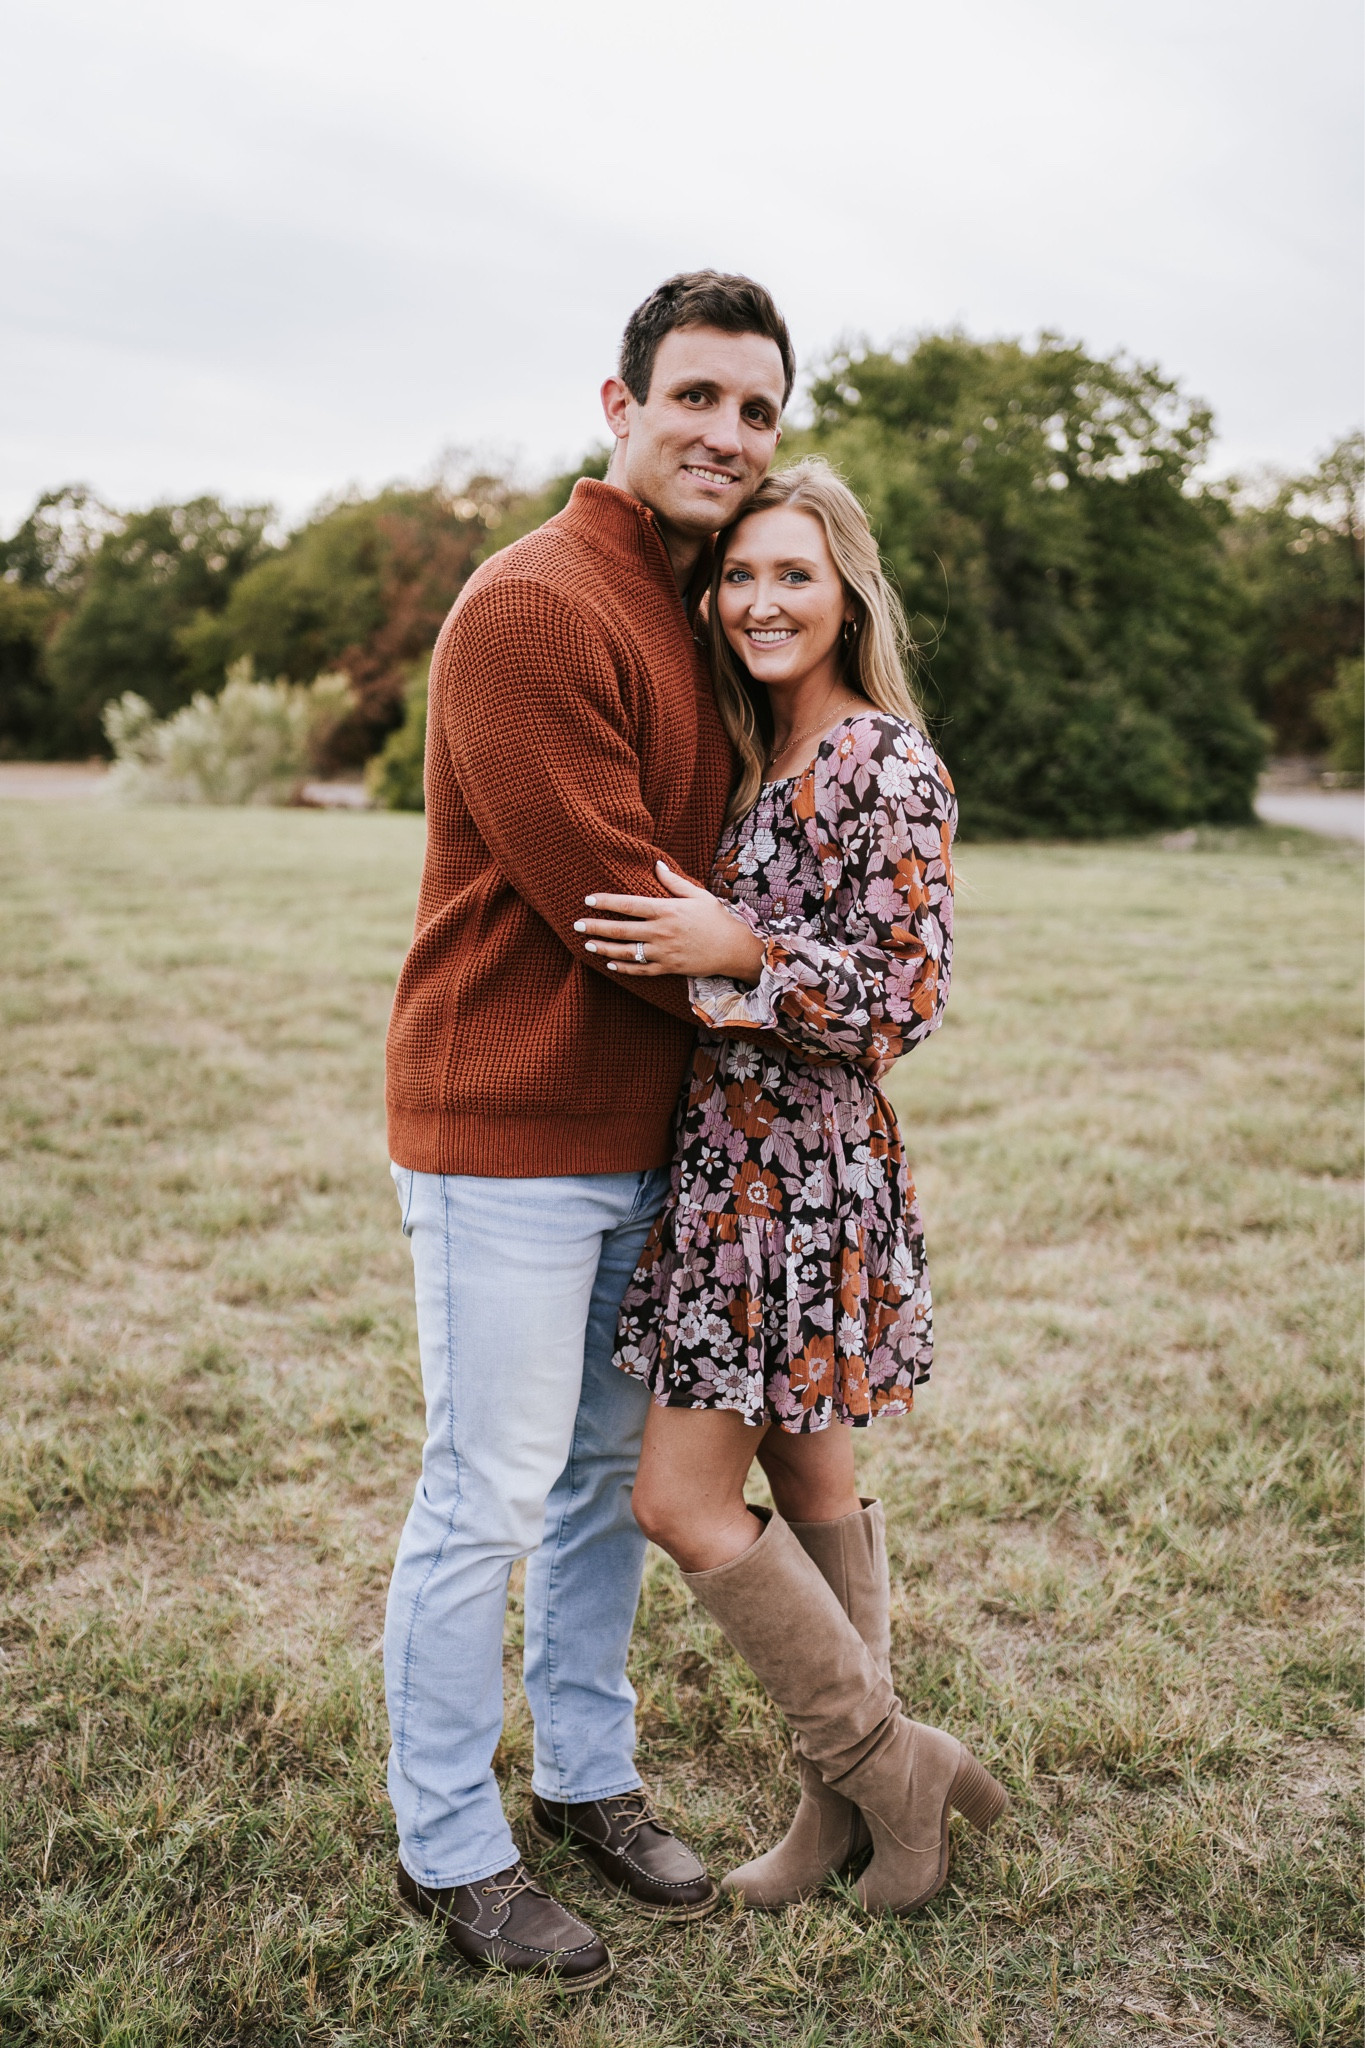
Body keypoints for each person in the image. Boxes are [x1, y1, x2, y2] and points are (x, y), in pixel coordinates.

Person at [381, 272, 794, 1990]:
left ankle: (589, 1779)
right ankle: (448, 1848)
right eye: (695, 396)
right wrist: (797, 994)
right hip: (509, 1126)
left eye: (758, 410)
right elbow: (620, 911)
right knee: (482, 1491)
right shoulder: (535, 604)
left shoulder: (690, 608)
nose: (726, 434)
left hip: (650, 1136)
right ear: (616, 406)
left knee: (599, 1494)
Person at [575, 459, 1009, 1919]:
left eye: (792, 575)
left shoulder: (882, 760)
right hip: (733, 1163)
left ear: (846, 594)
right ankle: (846, 1816)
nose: (759, 600)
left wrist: (740, 953)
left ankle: (890, 1766)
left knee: (680, 1502)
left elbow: (903, 1002)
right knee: (810, 1477)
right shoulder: (758, 758)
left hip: (797, 1181)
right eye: (738, 575)